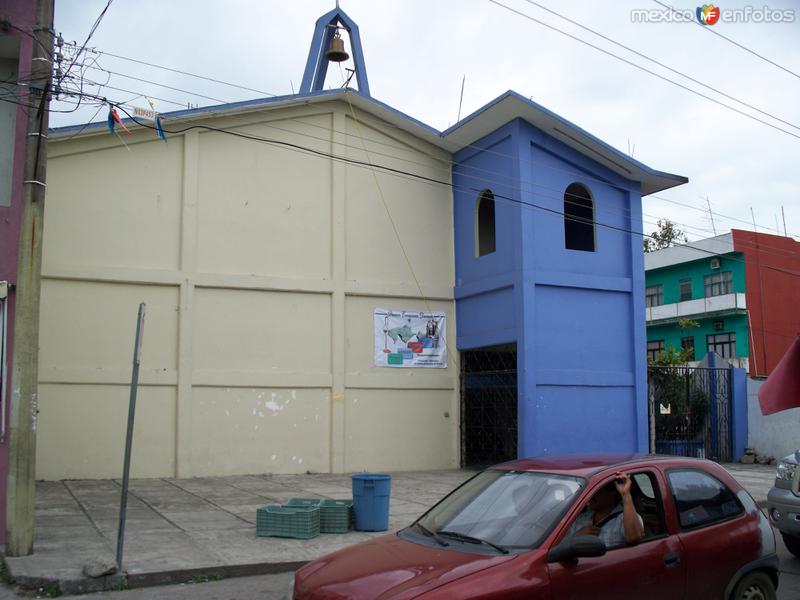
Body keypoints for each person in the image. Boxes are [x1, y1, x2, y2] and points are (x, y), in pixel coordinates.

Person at [567, 471, 644, 547]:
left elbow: (634, 537)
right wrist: (576, 538)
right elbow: (559, 547)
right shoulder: (581, 518)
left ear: (612, 493)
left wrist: (625, 494)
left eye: (595, 492)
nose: (590, 496)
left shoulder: (624, 518)